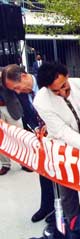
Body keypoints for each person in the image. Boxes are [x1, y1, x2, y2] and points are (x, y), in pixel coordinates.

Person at [33, 62, 80, 225]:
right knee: (67, 194)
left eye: (64, 86)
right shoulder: (40, 101)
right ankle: (75, 228)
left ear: (67, 75)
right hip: (62, 149)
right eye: (55, 91)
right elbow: (61, 131)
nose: (62, 92)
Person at [1, 64, 56, 225]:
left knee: (61, 175)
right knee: (43, 171)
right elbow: (29, 114)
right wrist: (38, 129)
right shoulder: (23, 92)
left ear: (24, 76)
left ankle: (64, 212)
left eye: (17, 87)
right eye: (14, 90)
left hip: (60, 135)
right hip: (42, 137)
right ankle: (47, 205)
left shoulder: (47, 82)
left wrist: (51, 128)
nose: (17, 92)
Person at [0, 68, 24, 175]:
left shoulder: (5, 72)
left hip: (11, 108)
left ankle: (24, 162)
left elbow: (10, 86)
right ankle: (5, 164)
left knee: (19, 135)